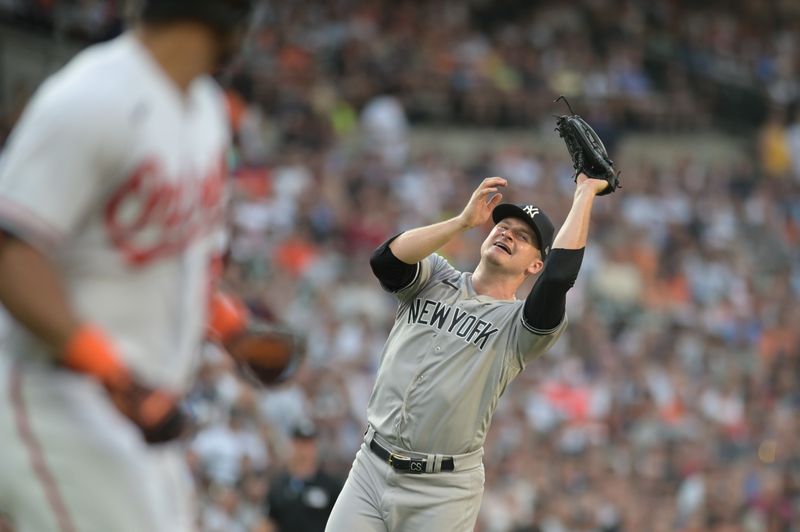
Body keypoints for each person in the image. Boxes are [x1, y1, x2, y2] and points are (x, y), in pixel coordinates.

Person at [0, 1, 254, 531]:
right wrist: (110, 371)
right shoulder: (92, 98)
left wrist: (234, 330)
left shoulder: (205, 108)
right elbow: (13, 252)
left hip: (144, 408)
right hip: (56, 400)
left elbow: (177, 256)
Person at [325, 174, 610, 531]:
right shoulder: (436, 276)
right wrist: (461, 222)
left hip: (441, 489)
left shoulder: (518, 326)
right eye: (503, 226)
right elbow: (385, 260)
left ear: (535, 265)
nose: (507, 234)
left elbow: (558, 280)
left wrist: (584, 194)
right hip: (370, 465)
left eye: (523, 237)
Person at [267, 422, 344, 532]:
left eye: (309, 444)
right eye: (300, 443)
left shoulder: (331, 485)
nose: (304, 450)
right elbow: (270, 522)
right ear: (292, 445)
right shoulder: (278, 486)